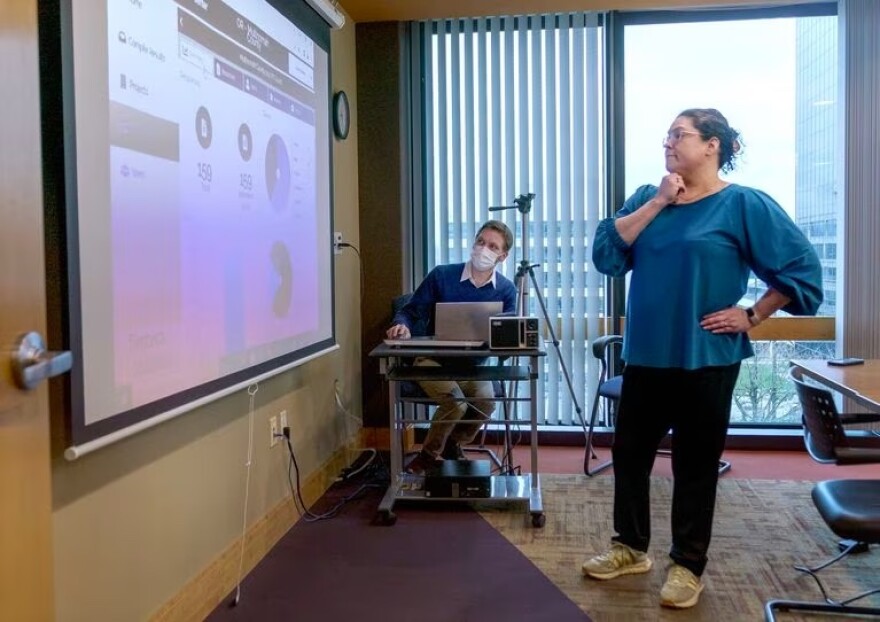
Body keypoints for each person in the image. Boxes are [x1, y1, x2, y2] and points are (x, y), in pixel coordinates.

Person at [583, 108, 823, 609]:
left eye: (679, 134)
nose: (667, 142)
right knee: (630, 456)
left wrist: (753, 314)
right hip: (646, 355)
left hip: (707, 358)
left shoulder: (742, 204)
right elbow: (607, 257)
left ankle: (687, 566)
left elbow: (801, 268)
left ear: (713, 145)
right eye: (667, 135)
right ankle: (630, 547)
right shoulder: (649, 198)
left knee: (695, 466)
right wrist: (657, 202)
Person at [387, 219, 518, 474]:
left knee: (486, 403)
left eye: (492, 246)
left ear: (503, 256)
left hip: (472, 366)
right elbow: (410, 311)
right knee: (455, 403)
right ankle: (427, 455)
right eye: (481, 242)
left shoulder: (506, 290)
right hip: (433, 361)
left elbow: (509, 334)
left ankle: (453, 442)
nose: (484, 249)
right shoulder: (442, 275)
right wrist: (401, 325)